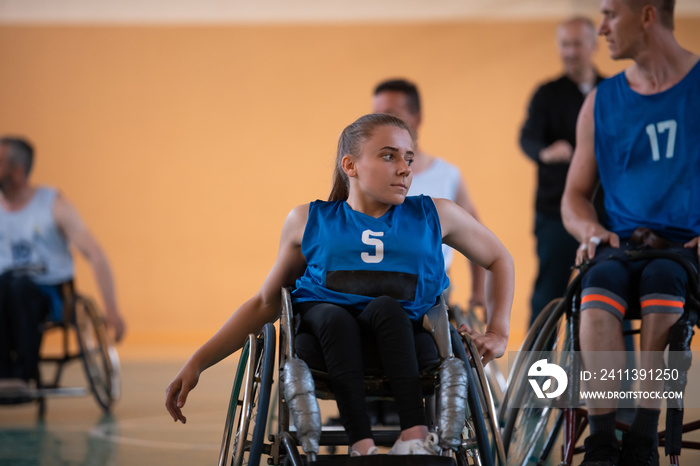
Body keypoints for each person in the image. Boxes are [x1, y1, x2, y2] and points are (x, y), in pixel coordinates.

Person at [165, 113, 514, 456]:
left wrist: (498, 331)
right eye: (389, 156)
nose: (405, 168)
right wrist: (197, 362)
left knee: (386, 308)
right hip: (323, 346)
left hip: (404, 346)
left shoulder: (435, 214)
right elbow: (264, 304)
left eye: (408, 158)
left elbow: (499, 258)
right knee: (333, 317)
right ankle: (362, 447)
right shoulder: (307, 220)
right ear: (351, 165)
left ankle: (414, 438)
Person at [561, 1, 700, 464]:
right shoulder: (601, 101)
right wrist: (591, 229)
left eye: (609, 15)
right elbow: (574, 197)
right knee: (597, 287)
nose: (601, 29)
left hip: (685, 250)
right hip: (623, 247)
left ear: (646, 15)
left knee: (666, 283)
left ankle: (643, 434)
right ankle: (600, 439)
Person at [0, 136, 126, 390]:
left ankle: (21, 375)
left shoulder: (53, 206)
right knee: (6, 286)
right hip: (6, 289)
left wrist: (111, 309)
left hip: (50, 292)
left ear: (17, 172)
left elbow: (96, 254)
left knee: (19, 288)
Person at [372, 79, 486, 310]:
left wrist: (479, 294)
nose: (380, 123)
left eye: (391, 115)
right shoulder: (365, 174)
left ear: (417, 118)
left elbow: (477, 236)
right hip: (372, 280)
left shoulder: (447, 175)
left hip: (429, 285)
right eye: (376, 115)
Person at [520, 16, 605, 326]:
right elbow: (527, 137)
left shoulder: (611, 91)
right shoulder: (547, 93)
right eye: (564, 45)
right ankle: (535, 373)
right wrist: (545, 152)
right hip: (556, 214)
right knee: (550, 295)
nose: (570, 52)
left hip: (607, 217)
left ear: (594, 45)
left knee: (612, 295)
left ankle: (620, 375)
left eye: (577, 44)